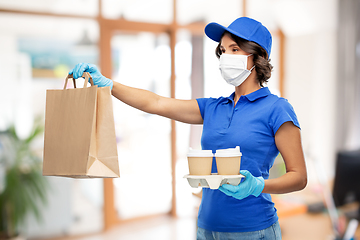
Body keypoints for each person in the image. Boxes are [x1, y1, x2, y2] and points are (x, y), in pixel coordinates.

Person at [69, 17, 307, 240]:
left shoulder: (277, 109)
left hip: (254, 230)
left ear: (257, 57)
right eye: (223, 51)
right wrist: (109, 84)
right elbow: (156, 103)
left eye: (234, 49)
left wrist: (258, 185)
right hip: (206, 227)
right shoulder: (213, 107)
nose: (226, 57)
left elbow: (299, 177)